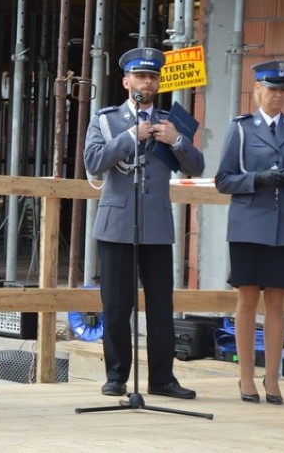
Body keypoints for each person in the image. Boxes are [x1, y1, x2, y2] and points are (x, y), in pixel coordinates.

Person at [84, 47, 205, 400]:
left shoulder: (171, 120)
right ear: (126, 81)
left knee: (161, 306)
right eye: (140, 76)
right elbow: (92, 162)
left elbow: (196, 166)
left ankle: (162, 378)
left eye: (152, 77)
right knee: (117, 307)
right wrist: (129, 137)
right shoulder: (105, 119)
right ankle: (117, 375)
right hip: (117, 224)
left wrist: (177, 141)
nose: (146, 82)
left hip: (156, 226)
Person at [215, 60, 284, 405]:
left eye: (283, 90)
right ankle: (245, 376)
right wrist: (256, 179)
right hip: (249, 225)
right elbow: (224, 179)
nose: (278, 96)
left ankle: (273, 378)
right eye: (272, 89)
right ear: (258, 90)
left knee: (277, 302)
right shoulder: (242, 129)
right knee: (247, 299)